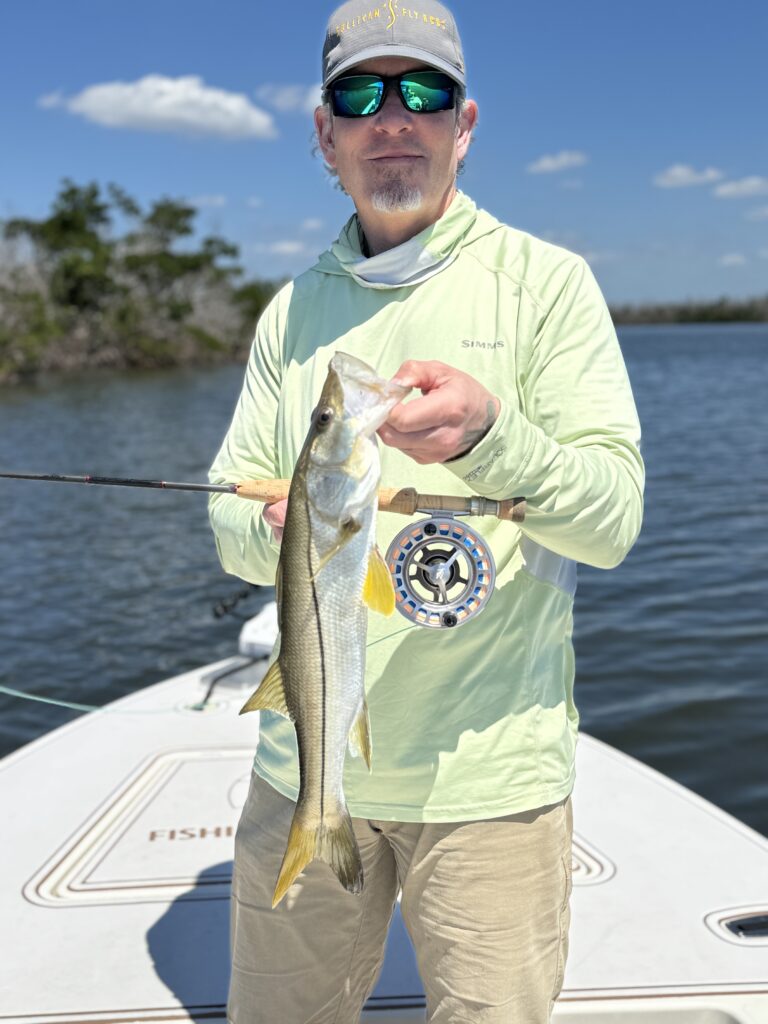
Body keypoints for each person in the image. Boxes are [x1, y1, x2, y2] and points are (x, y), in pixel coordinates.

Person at [208, 1, 644, 1020]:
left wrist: (495, 432)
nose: (392, 118)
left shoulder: (548, 286)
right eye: (361, 95)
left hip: (490, 787)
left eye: (424, 92)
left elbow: (612, 523)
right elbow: (230, 522)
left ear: (467, 122)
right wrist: (275, 527)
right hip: (302, 772)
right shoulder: (291, 310)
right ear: (326, 134)